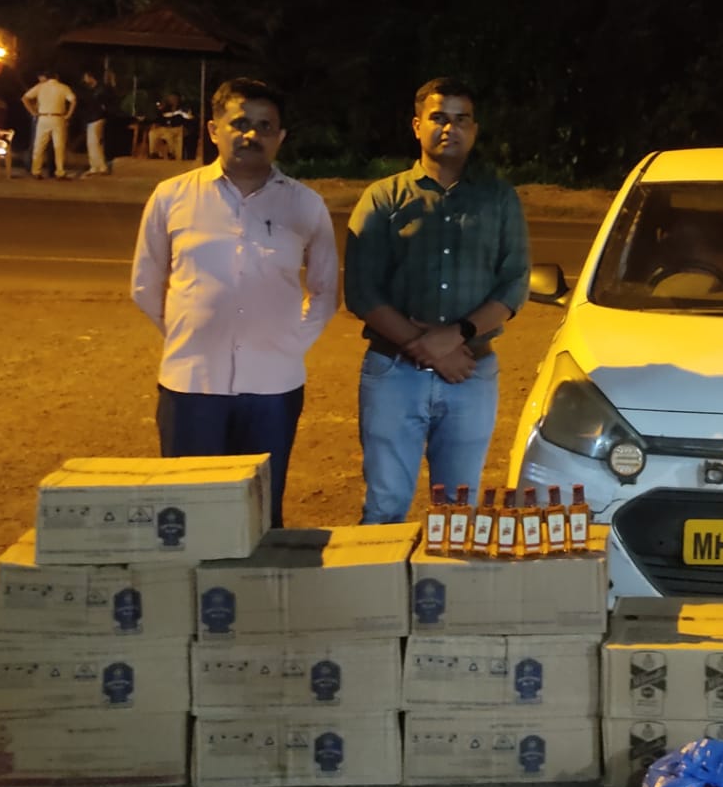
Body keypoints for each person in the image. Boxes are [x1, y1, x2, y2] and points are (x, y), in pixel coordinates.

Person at [130, 78, 339, 528]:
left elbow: (325, 292)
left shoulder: (306, 205)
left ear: (280, 137)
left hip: (273, 390)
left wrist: (289, 344)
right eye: (240, 123)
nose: (252, 135)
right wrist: (189, 334)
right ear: (213, 129)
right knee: (187, 517)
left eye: (265, 126)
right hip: (191, 386)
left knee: (259, 515)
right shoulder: (172, 197)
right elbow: (145, 284)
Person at [344, 77, 530, 524]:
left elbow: (513, 285)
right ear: (417, 126)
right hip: (394, 373)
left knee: (458, 515)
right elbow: (362, 291)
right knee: (385, 507)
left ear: (474, 129)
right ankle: (380, 574)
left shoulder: (499, 199)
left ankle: (445, 576)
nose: (451, 128)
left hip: (470, 371)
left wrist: (455, 335)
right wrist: (423, 346)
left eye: (462, 119)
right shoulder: (383, 198)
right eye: (439, 118)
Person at [21, 70, 76, 179]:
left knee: (39, 146)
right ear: (57, 77)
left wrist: (33, 112)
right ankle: (60, 172)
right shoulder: (63, 87)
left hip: (43, 117)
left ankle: (36, 171)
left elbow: (25, 98)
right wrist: (68, 115)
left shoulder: (40, 87)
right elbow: (73, 100)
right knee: (59, 146)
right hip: (58, 117)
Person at [77, 69, 116, 177]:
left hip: (97, 118)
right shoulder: (93, 89)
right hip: (92, 118)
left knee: (95, 142)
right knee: (92, 143)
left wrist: (102, 109)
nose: (84, 80)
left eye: (86, 77)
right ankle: (95, 166)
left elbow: (103, 102)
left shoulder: (100, 89)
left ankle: (101, 167)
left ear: (91, 77)